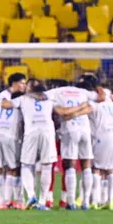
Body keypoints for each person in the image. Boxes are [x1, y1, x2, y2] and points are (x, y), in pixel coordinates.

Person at [5, 80, 91, 210]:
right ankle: (42, 201)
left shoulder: (23, 99)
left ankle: (31, 195)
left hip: (31, 131)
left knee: (26, 165)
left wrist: (9, 94)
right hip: (47, 132)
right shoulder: (48, 99)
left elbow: (5, 104)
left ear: (29, 89)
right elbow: (63, 111)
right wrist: (80, 107)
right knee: (47, 166)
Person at [47, 78, 98, 210]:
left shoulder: (54, 92)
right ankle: (86, 202)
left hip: (70, 130)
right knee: (86, 166)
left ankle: (70, 202)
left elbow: (60, 111)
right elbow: (99, 98)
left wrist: (71, 113)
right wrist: (81, 108)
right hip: (85, 130)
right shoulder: (82, 92)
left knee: (70, 166)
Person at [89, 85, 113, 211]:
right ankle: (110, 201)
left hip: (102, 135)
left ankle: (95, 200)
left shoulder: (94, 105)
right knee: (111, 168)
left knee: (97, 168)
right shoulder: (112, 105)